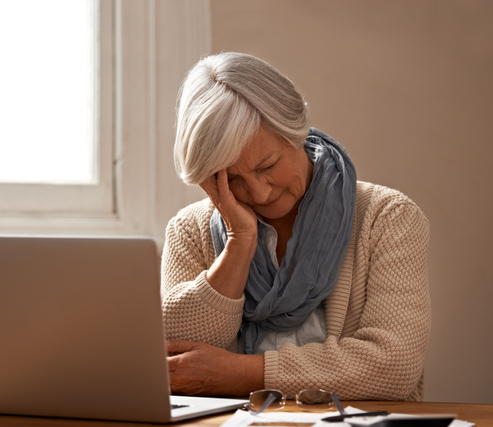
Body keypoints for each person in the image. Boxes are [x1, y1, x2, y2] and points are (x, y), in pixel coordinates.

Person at [162, 52, 430, 401]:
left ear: (296, 131)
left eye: (267, 165)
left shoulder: (388, 217)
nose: (258, 192)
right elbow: (178, 365)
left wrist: (241, 373)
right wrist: (238, 242)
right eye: (232, 180)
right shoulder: (189, 230)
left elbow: (394, 366)